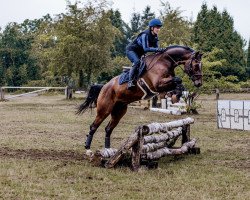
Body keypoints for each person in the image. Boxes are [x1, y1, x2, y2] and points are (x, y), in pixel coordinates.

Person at [126, 18, 165, 90]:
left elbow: (157, 50)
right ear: (152, 28)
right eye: (157, 27)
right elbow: (146, 49)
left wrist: (162, 52)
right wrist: (158, 49)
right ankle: (130, 82)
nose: (158, 29)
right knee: (137, 62)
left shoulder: (155, 37)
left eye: (159, 28)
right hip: (131, 50)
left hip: (140, 53)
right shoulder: (145, 35)